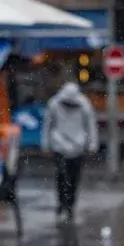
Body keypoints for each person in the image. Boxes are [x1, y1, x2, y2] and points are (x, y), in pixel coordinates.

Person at [41, 81, 98, 222]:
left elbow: (91, 125)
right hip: (59, 145)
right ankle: (61, 203)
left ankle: (70, 205)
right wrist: (46, 145)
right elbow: (47, 125)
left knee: (74, 178)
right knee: (61, 176)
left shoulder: (85, 105)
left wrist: (92, 146)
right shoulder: (54, 104)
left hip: (77, 147)